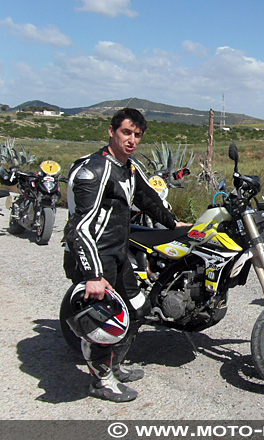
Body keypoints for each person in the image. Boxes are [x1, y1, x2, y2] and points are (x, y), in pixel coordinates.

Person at [63, 108, 191, 402]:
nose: (132, 140)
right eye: (126, 132)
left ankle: (113, 366)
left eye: (137, 135)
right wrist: (94, 275)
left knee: (137, 308)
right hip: (96, 256)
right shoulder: (94, 170)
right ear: (112, 131)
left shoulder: (129, 168)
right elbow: (78, 228)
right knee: (105, 321)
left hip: (119, 254)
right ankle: (100, 382)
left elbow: (148, 198)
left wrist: (173, 224)